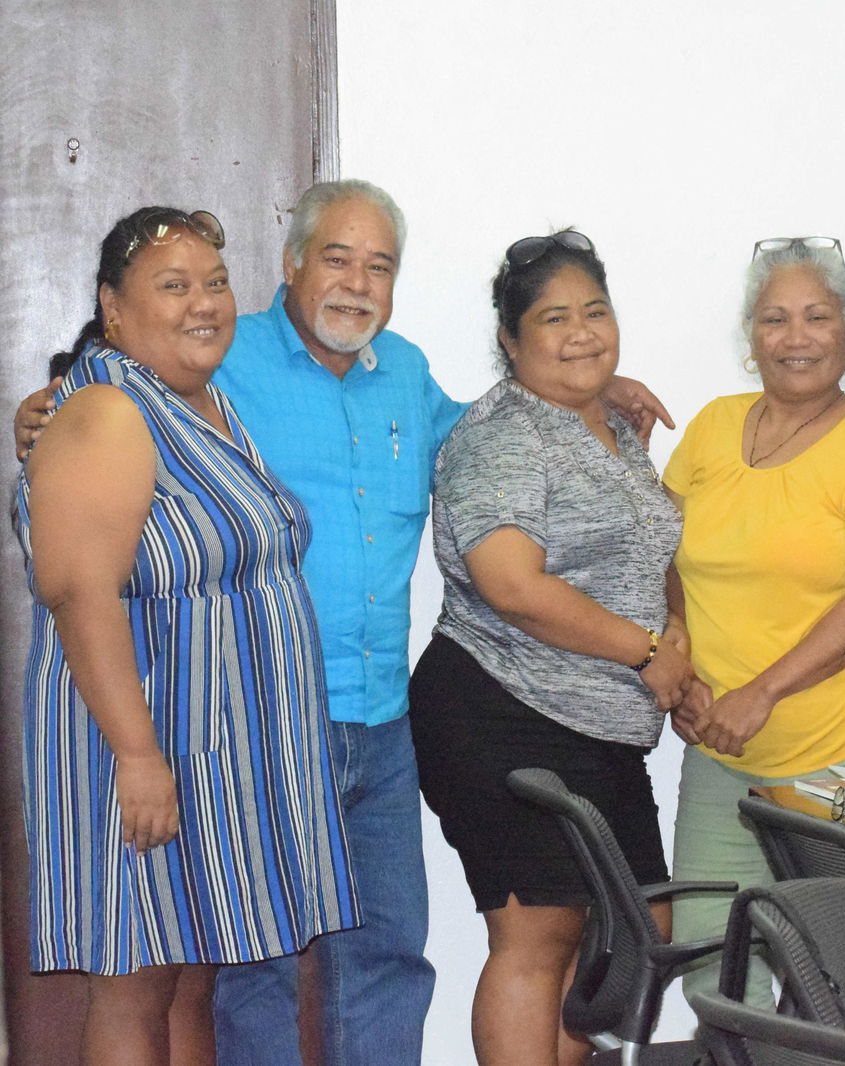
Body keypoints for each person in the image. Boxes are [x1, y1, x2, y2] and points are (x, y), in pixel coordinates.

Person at [12, 180, 673, 1065]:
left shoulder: (401, 372)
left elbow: (486, 438)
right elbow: (84, 541)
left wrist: (587, 381)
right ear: (290, 264)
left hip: (381, 718)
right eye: (337, 258)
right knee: (251, 966)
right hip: (251, 721)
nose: (358, 283)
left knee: (386, 952)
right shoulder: (217, 359)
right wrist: (44, 410)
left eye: (380, 266)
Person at [14, 206, 359, 1065]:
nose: (203, 302)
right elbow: (79, 591)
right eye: (174, 286)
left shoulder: (199, 402)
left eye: (215, 282)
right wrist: (137, 757)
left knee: (188, 980)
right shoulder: (107, 411)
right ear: (113, 306)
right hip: (139, 746)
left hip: (210, 749)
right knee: (135, 985)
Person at [406, 230, 691, 1066]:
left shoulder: (612, 425)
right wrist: (646, 652)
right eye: (553, 319)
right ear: (510, 339)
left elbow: (649, 546)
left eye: (594, 312)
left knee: (637, 929)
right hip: (500, 710)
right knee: (539, 933)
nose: (580, 334)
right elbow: (511, 584)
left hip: (600, 727)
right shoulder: (503, 435)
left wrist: (677, 636)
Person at [666, 236, 845, 1003]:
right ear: (750, 337)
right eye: (775, 318)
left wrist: (762, 692)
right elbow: (664, 552)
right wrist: (679, 653)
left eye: (817, 316)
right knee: (712, 970)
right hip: (725, 753)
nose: (797, 336)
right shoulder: (713, 427)